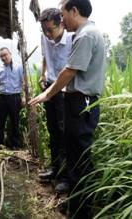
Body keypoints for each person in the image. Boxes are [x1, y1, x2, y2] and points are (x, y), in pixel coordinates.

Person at [29, 0, 106, 217]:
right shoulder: (86, 33)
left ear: (75, 11)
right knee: (74, 156)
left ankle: (81, 212)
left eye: (63, 15)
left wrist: (47, 93)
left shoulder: (84, 36)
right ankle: (74, 204)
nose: (61, 20)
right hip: (76, 101)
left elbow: (69, 71)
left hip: (81, 103)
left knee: (80, 159)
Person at [38, 8, 73, 194]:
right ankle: (54, 169)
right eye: (44, 31)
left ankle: (66, 176)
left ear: (61, 23)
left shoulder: (72, 39)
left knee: (64, 132)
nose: (48, 35)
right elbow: (45, 55)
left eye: (50, 30)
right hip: (50, 87)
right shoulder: (45, 36)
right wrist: (43, 73)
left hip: (66, 91)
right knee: (53, 130)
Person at [0, 47, 24, 150]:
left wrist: (23, 96)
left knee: (15, 121)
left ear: (10, 54)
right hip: (2, 98)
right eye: (1, 56)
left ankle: (15, 145)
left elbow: (24, 82)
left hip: (15, 97)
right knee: (0, 122)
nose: (3, 58)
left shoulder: (19, 67)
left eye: (5, 55)